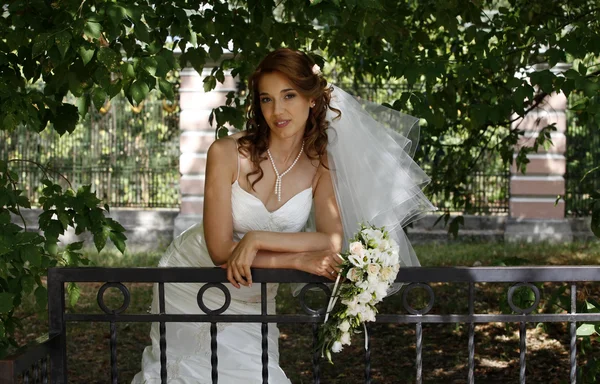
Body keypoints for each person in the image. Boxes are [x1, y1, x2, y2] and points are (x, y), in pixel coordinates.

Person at [132, 48, 435, 383]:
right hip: (193, 280)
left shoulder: (322, 163)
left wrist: (256, 238)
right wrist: (295, 259)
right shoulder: (226, 153)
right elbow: (220, 251)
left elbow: (331, 240)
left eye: (288, 95)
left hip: (255, 290)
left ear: (312, 99)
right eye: (266, 99)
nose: (277, 110)